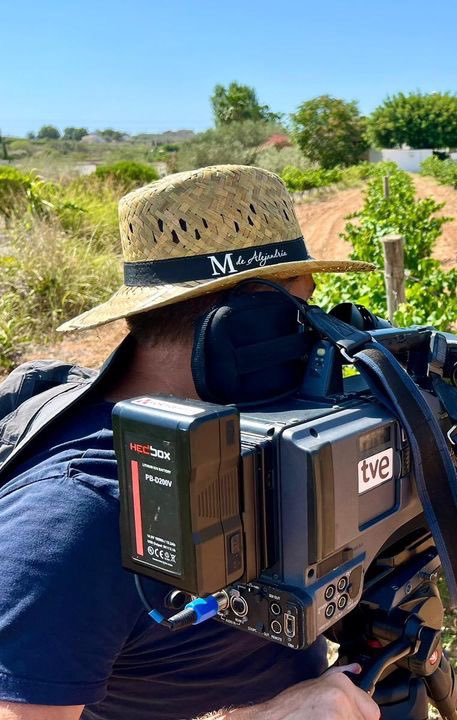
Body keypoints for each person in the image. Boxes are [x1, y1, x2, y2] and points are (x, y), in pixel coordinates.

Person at [0, 165, 381, 720]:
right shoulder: (75, 511)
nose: (316, 333)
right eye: (303, 312)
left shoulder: (245, 440)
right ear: (248, 328)